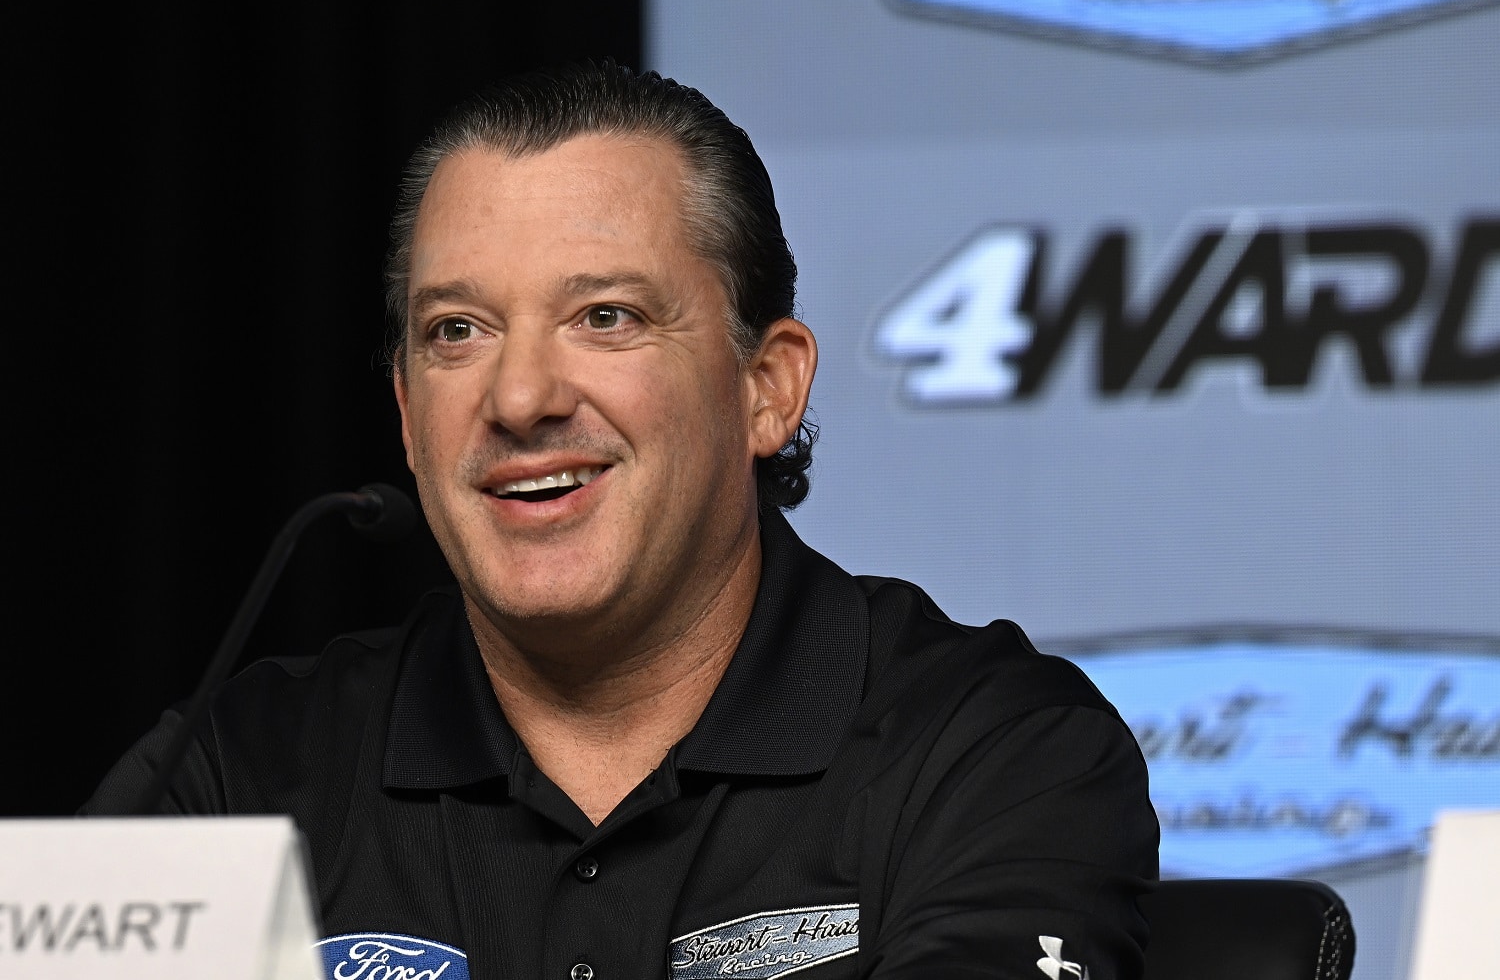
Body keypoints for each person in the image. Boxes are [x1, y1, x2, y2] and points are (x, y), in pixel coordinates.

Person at [83, 59, 1158, 980]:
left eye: (606, 317)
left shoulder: (995, 754)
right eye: (458, 331)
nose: (518, 399)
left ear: (766, 389)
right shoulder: (235, 777)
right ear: (409, 417)